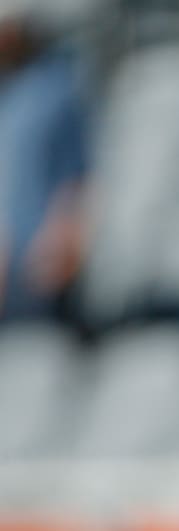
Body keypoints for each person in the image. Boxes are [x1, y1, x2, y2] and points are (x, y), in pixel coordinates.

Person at [0, 2, 92, 337]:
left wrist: (60, 248)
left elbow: (75, 181)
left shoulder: (55, 92)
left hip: (37, 265)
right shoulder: (9, 95)